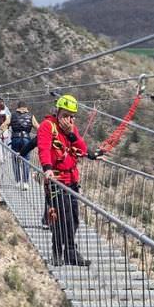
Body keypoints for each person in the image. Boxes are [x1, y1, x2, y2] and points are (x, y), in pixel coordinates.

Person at [37, 94, 101, 267]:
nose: (69, 119)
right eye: (65, 115)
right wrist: (47, 169)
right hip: (56, 179)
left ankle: (70, 253)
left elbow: (82, 149)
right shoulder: (47, 126)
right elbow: (43, 148)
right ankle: (58, 251)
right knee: (60, 217)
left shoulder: (71, 130)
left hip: (72, 179)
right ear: (58, 112)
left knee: (73, 217)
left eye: (72, 116)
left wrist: (71, 134)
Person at [9, 101, 37, 190]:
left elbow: (4, 125)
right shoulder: (31, 116)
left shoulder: (12, 115)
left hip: (15, 139)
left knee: (15, 160)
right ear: (26, 107)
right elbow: (38, 127)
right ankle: (25, 183)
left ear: (18, 107)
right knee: (26, 160)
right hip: (26, 140)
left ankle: (18, 181)